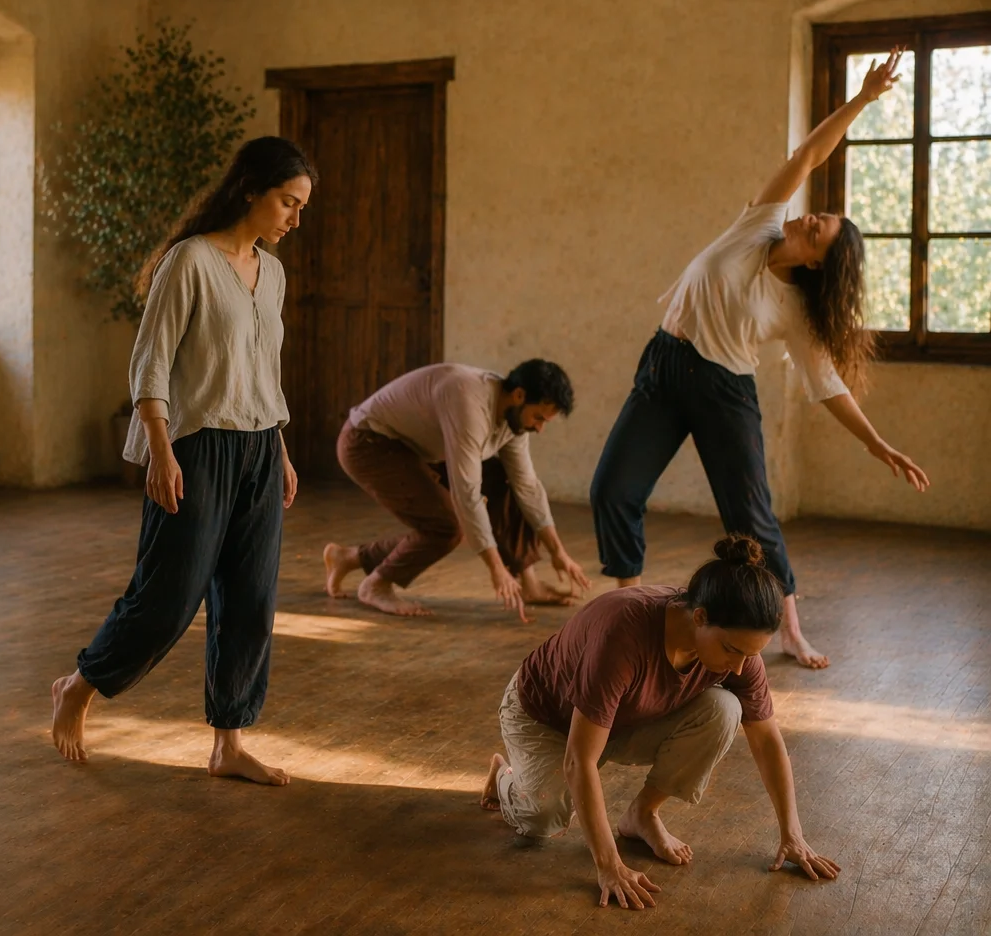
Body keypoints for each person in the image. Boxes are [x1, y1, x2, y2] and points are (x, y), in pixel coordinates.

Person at [589, 48, 929, 669]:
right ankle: (627, 612)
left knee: (749, 521)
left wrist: (876, 444)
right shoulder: (758, 226)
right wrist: (861, 100)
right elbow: (806, 156)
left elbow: (828, 387)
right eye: (815, 215)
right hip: (662, 368)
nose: (807, 219)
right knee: (612, 488)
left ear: (817, 262)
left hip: (725, 393)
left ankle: (790, 629)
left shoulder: (799, 314)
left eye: (816, 229)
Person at [49, 137, 315, 785]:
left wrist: (277, 447)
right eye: (287, 201)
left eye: (302, 207)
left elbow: (263, 372)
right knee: (168, 598)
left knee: (250, 602)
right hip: (195, 447)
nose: (294, 219)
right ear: (251, 188)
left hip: (257, 446)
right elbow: (151, 364)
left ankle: (229, 740)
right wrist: (161, 452)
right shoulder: (189, 262)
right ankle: (80, 686)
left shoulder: (271, 272)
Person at [479, 535, 840, 911]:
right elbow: (578, 760)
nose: (738, 667)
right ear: (699, 617)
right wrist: (610, 866)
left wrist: (792, 835)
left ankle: (642, 814)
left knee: (724, 709)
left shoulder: (738, 652)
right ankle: (505, 775)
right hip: (546, 716)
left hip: (626, 716)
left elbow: (767, 741)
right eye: (732, 651)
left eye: (749, 655)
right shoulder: (623, 633)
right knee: (542, 818)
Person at [323, 359, 592, 619]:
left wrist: (559, 553)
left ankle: (348, 558)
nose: (540, 428)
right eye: (538, 417)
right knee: (448, 526)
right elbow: (467, 494)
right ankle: (377, 584)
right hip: (368, 442)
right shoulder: (468, 401)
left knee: (504, 481)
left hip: (415, 449)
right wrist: (496, 568)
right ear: (519, 395)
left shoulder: (513, 421)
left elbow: (527, 487)